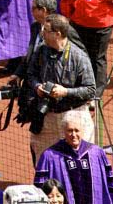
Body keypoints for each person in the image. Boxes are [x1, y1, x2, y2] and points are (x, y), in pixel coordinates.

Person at [27, 14, 96, 163]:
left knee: (79, 161)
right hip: (47, 118)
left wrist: (65, 92)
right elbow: (31, 74)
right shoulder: (41, 51)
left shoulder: (78, 56)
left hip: (74, 116)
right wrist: (37, 86)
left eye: (46, 30)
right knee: (43, 161)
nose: (42, 33)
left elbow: (91, 89)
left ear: (57, 34)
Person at [34, 111, 113, 204]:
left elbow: (110, 185)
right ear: (64, 131)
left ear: (83, 130)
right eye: (69, 130)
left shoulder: (96, 153)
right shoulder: (50, 156)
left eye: (77, 130)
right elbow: (39, 190)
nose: (73, 135)